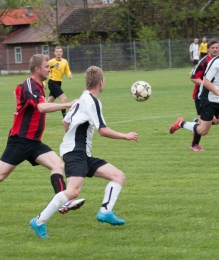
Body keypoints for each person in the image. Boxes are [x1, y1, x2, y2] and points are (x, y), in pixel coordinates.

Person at [30, 66, 139, 238]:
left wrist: (74, 139)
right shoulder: (93, 101)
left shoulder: (81, 98)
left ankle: (105, 211)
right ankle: (38, 221)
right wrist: (125, 136)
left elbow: (65, 122)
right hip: (75, 152)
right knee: (73, 191)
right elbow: (102, 130)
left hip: (80, 153)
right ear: (101, 83)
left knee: (118, 176)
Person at [0, 54, 85, 214]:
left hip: (33, 142)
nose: (49, 69)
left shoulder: (35, 85)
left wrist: (19, 106)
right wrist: (68, 104)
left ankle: (63, 202)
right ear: (37, 69)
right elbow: (41, 107)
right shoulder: (31, 85)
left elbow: (17, 91)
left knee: (58, 165)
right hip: (20, 141)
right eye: (47, 67)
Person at [170, 39, 219, 166]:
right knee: (203, 130)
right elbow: (206, 82)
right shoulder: (214, 63)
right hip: (208, 99)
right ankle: (181, 123)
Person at [190, 38, 219, 151]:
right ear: (208, 49)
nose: (215, 50)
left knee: (217, 120)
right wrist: (206, 84)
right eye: (212, 48)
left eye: (217, 47)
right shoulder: (204, 62)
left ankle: (194, 123)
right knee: (203, 127)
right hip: (200, 96)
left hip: (213, 95)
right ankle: (194, 145)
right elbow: (193, 78)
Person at [47, 46, 72, 118]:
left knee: (49, 102)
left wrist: (69, 75)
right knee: (64, 98)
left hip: (58, 83)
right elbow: (45, 70)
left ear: (62, 53)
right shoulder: (51, 62)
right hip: (52, 82)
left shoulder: (65, 61)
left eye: (60, 51)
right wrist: (43, 83)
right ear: (54, 53)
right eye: (57, 52)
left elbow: (67, 70)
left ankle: (39, 114)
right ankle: (65, 116)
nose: (59, 53)